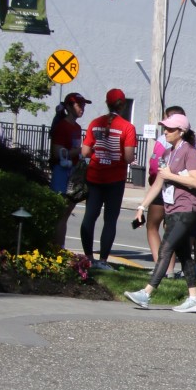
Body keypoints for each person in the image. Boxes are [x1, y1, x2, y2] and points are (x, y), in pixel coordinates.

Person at [123, 114, 196, 314]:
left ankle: (146, 293)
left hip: (186, 209)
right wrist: (142, 206)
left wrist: (171, 175)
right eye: (165, 128)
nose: (166, 132)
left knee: (166, 248)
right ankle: (194, 298)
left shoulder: (190, 152)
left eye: (170, 129)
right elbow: (159, 183)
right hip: (172, 208)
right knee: (184, 254)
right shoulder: (168, 153)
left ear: (181, 132)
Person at [79, 88, 137, 271]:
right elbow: (128, 157)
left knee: (89, 217)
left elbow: (85, 152)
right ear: (123, 105)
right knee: (110, 220)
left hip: (95, 176)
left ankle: (88, 257)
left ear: (107, 103)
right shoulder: (127, 127)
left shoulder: (95, 123)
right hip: (115, 179)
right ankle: (103, 260)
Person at [146, 105, 189, 269]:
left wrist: (154, 179)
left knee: (152, 226)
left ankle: (162, 267)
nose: (165, 130)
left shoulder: (165, 140)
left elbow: (154, 166)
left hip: (166, 188)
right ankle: (168, 269)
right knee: (169, 229)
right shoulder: (191, 142)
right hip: (179, 189)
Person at [49, 92, 92, 250]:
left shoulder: (77, 127)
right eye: (79, 105)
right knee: (60, 211)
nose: (82, 108)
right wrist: (81, 150)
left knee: (66, 212)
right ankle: (55, 247)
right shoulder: (62, 126)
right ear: (68, 106)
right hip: (62, 171)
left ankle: (59, 246)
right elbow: (57, 152)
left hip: (73, 171)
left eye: (83, 105)